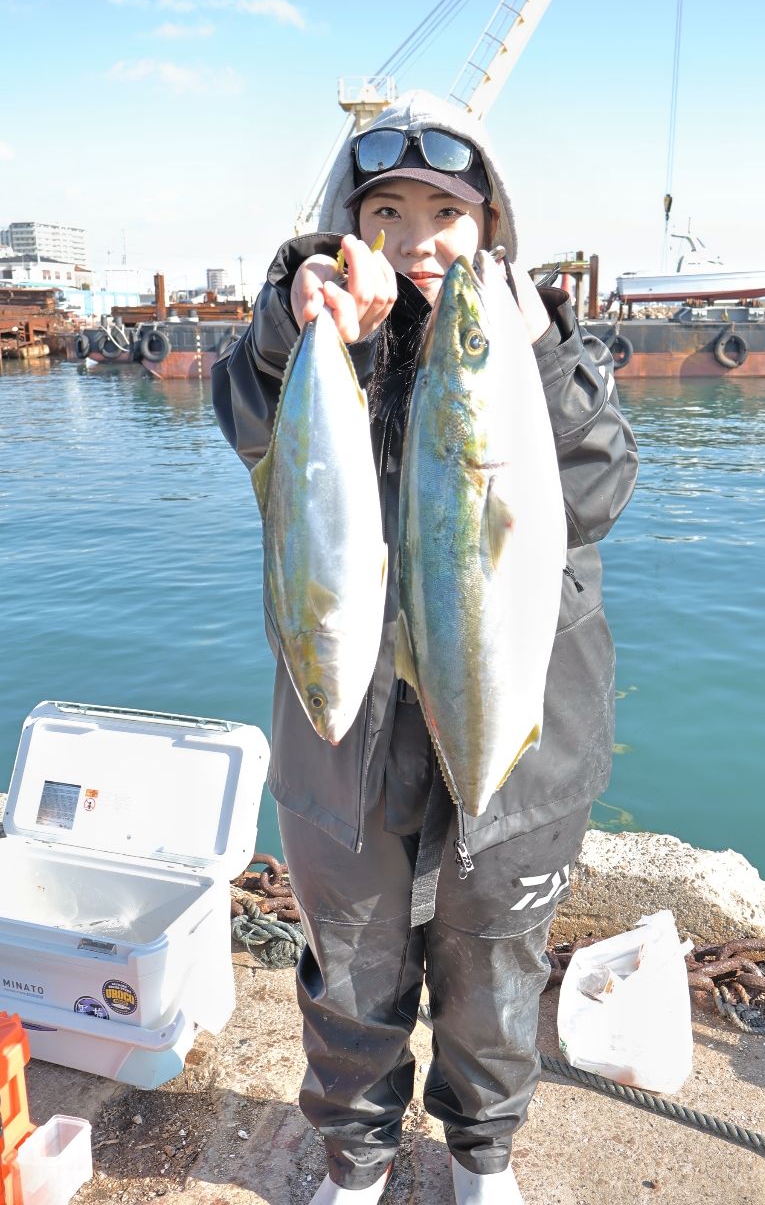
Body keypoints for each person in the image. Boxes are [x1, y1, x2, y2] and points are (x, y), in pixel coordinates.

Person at [212, 90, 638, 1205]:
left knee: (494, 960)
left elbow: (595, 487)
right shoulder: (325, 340)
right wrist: (288, 323)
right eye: (385, 210)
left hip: (516, 725)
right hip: (346, 733)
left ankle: (479, 1154)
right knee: (350, 965)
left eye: (446, 211)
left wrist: (537, 353)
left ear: (492, 222)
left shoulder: (540, 342)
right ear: (350, 221)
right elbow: (249, 419)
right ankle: (355, 1157)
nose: (415, 239)